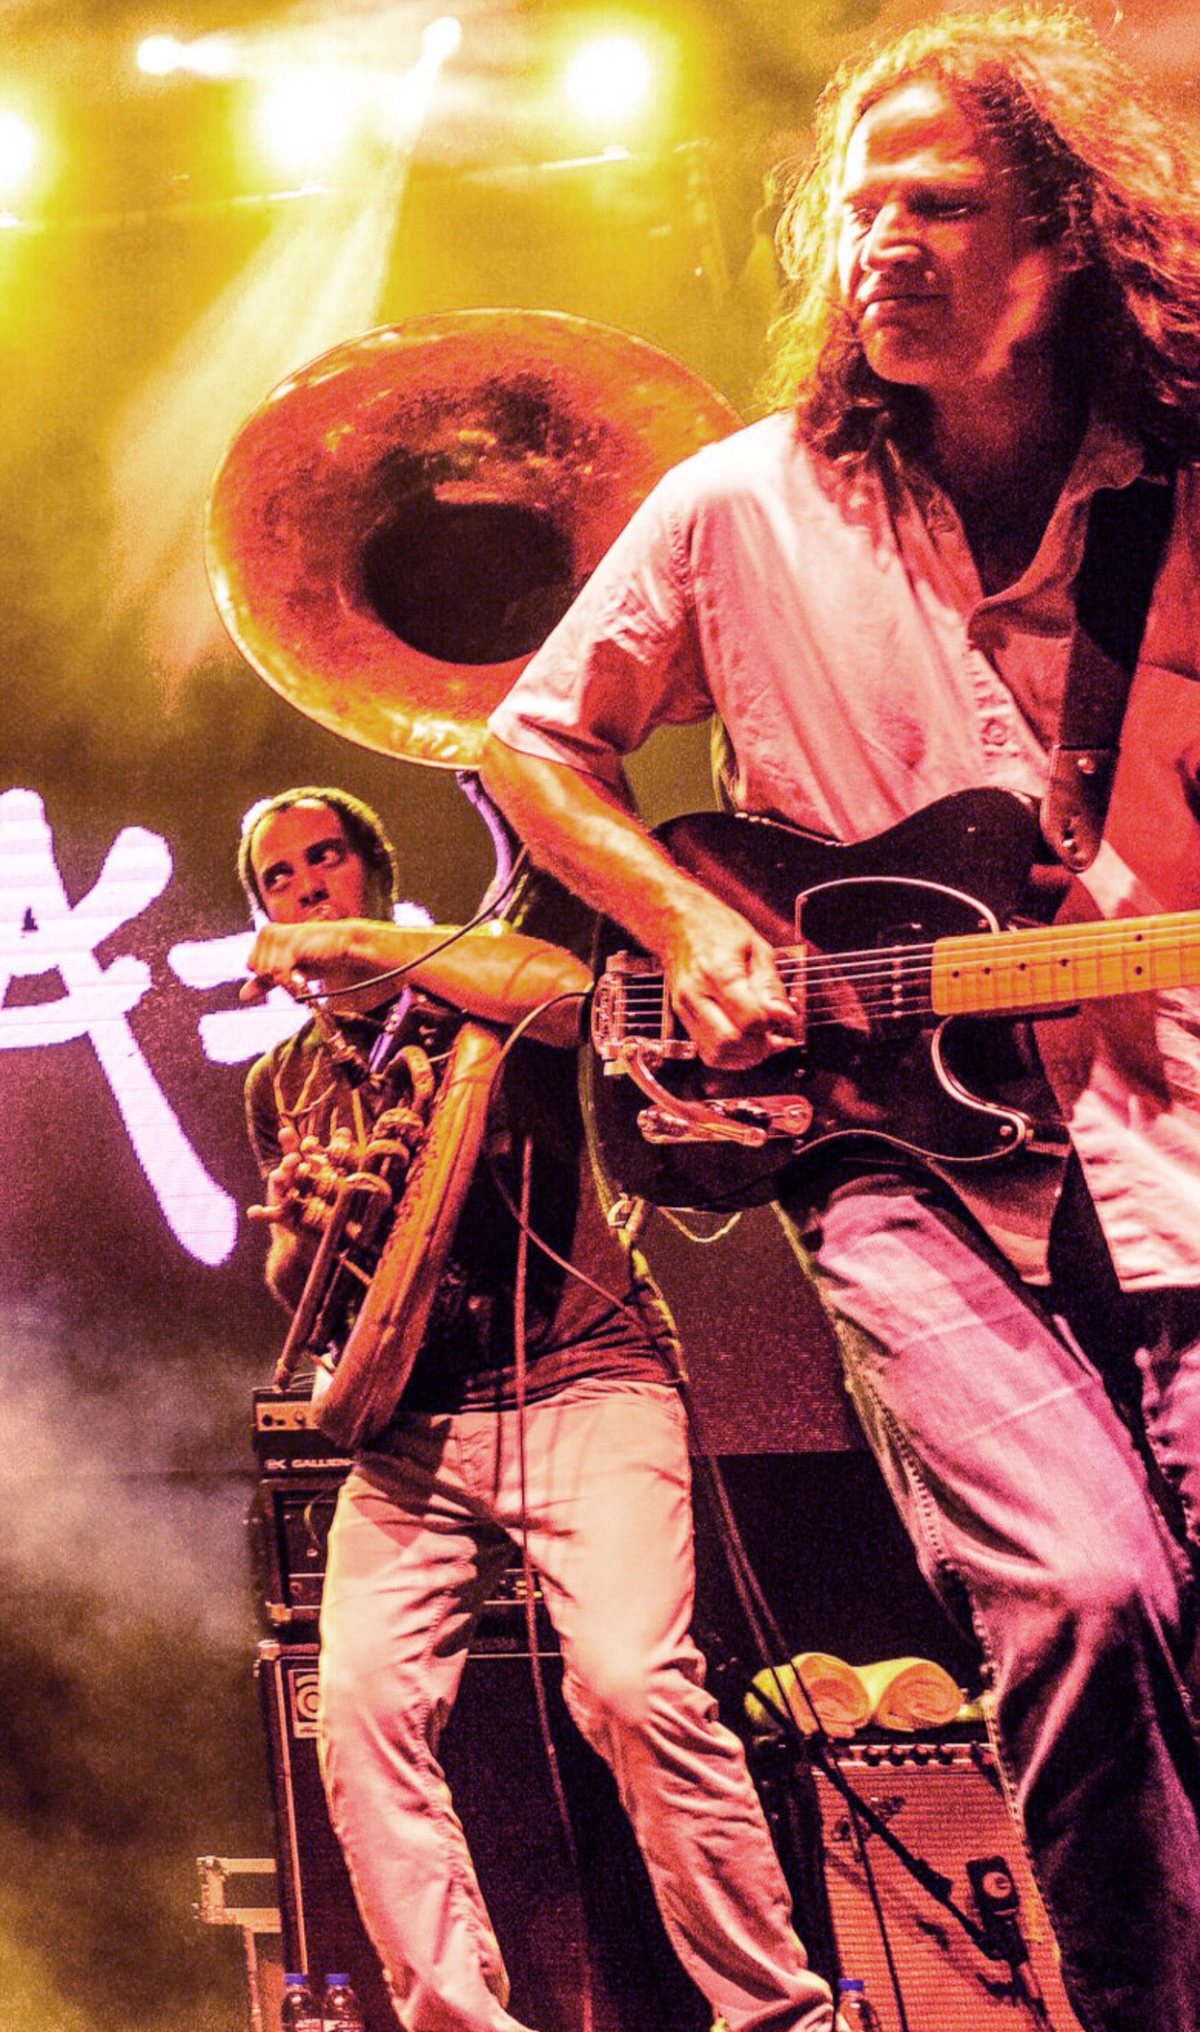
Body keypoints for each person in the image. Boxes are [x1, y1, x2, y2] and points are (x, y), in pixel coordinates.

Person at [480, 7, 1200, 2031]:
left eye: (944, 204)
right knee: (1073, 1599)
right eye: (865, 204)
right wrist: (680, 923)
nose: (882, 241)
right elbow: (534, 748)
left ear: (1068, 244)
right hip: (901, 1166)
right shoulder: (738, 506)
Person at [237, 787, 834, 2032]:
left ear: (374, 873)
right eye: (278, 877)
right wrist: (305, 1232)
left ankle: (783, 2015)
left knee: (631, 1684)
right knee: (355, 1711)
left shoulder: (478, 982)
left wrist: (368, 951)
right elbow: (309, 1292)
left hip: (588, 1380)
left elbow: (568, 993)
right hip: (410, 1430)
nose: (303, 888)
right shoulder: (281, 1080)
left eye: (324, 858)